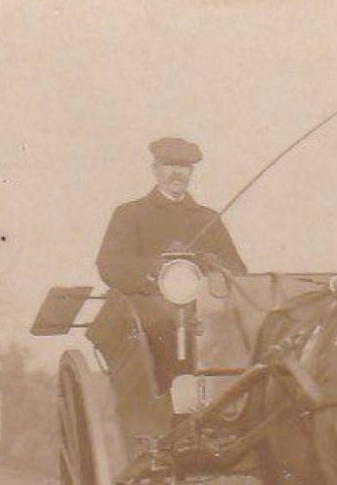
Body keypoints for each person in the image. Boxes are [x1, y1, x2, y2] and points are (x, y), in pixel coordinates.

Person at [96, 137, 247, 385]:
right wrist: (157, 269)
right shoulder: (131, 214)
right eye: (169, 165)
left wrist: (211, 265)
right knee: (166, 327)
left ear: (191, 172)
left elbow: (238, 271)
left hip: (204, 310)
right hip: (148, 310)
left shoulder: (208, 219)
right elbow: (109, 265)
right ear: (155, 169)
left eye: (184, 166)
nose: (177, 173)